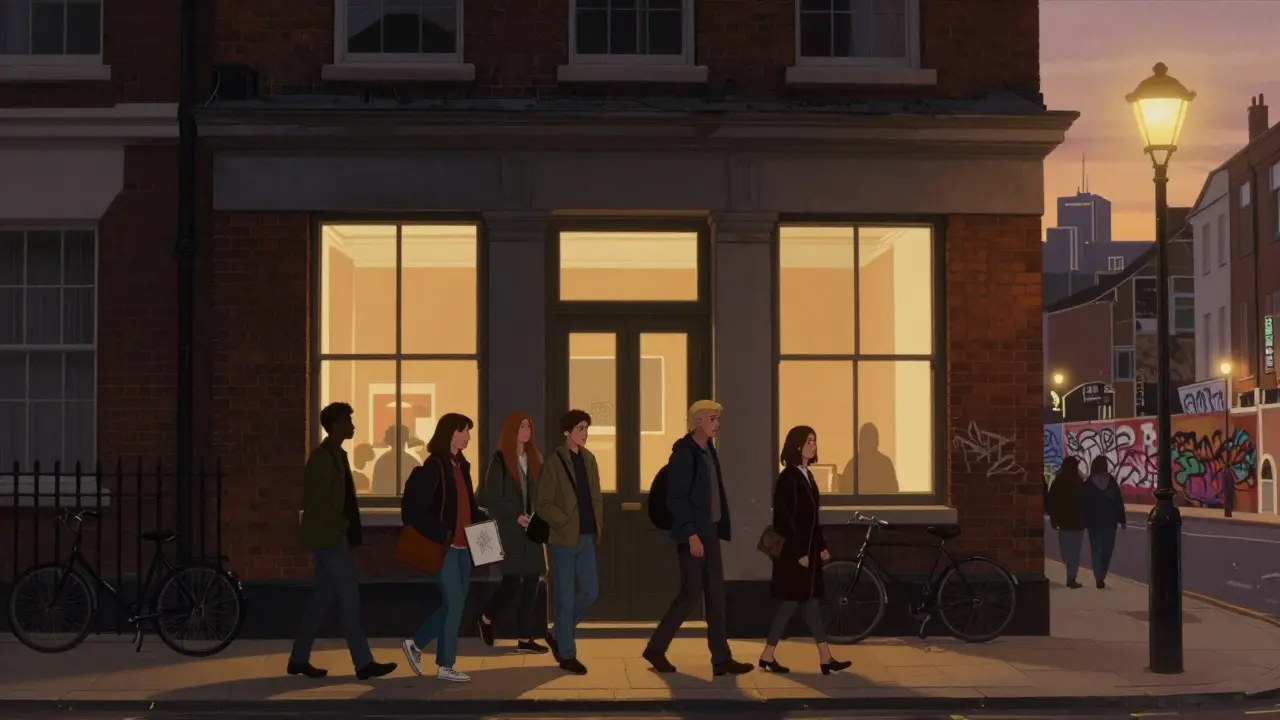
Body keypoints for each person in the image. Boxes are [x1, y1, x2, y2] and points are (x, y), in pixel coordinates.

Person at [643, 400, 752, 677]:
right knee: (690, 594)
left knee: (716, 597)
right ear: (698, 422)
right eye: (713, 419)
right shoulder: (684, 454)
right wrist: (691, 534)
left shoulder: (707, 451)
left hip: (710, 533)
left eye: (718, 419)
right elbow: (677, 498)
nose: (717, 424)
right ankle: (656, 649)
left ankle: (721, 659)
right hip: (693, 535)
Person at [290, 402, 397, 680]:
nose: (353, 425)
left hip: (333, 536)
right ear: (335, 425)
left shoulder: (337, 455)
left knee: (320, 600)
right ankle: (363, 663)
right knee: (350, 598)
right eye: (348, 421)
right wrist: (343, 526)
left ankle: (298, 659)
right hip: (329, 537)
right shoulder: (323, 459)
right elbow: (317, 503)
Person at [399, 413, 487, 683]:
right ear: (451, 433)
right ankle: (445, 665)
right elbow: (414, 512)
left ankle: (416, 644)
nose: (468, 437)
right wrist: (442, 533)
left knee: (455, 605)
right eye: (464, 432)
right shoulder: (435, 467)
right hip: (446, 548)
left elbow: (467, 507)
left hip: (463, 547)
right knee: (455, 602)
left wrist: (485, 523)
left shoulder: (462, 466)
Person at [758, 426, 852, 675]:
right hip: (794, 554)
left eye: (815, 441)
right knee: (792, 603)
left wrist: (820, 547)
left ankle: (823, 657)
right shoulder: (788, 477)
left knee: (807, 604)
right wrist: (800, 551)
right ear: (798, 446)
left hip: (807, 552)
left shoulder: (807, 475)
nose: (814, 446)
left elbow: (812, 519)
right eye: (809, 441)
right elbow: (784, 519)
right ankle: (773, 655)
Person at [535, 409, 604, 675]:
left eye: (586, 427)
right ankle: (567, 654)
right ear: (567, 432)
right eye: (579, 428)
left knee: (590, 591)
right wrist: (565, 521)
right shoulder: (554, 461)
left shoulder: (590, 459)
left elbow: (596, 497)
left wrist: (597, 524)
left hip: (586, 536)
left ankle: (557, 633)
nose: (584, 433)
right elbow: (543, 503)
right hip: (563, 539)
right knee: (563, 597)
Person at [476, 411, 549, 654]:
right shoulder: (499, 461)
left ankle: (525, 639)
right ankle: (486, 617)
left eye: (529, 427)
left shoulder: (534, 457)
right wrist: (516, 515)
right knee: (510, 582)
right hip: (510, 530)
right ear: (511, 431)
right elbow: (494, 497)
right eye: (521, 427)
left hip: (531, 530)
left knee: (532, 581)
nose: (526, 432)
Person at [1081, 455, 1126, 589]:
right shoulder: (1111, 481)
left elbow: (1084, 504)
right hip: (1110, 522)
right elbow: (1118, 502)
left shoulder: (1089, 483)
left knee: (1096, 550)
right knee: (1108, 550)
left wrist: (1084, 520)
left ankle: (1098, 576)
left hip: (1094, 522)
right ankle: (1102, 574)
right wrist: (1122, 519)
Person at [1047, 456, 1086, 589]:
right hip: (1077, 523)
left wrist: (1053, 518)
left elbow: (1051, 501)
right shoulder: (1079, 481)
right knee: (1075, 551)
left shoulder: (1059, 481)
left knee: (1065, 550)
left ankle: (1069, 571)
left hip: (1064, 522)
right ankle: (1071, 577)